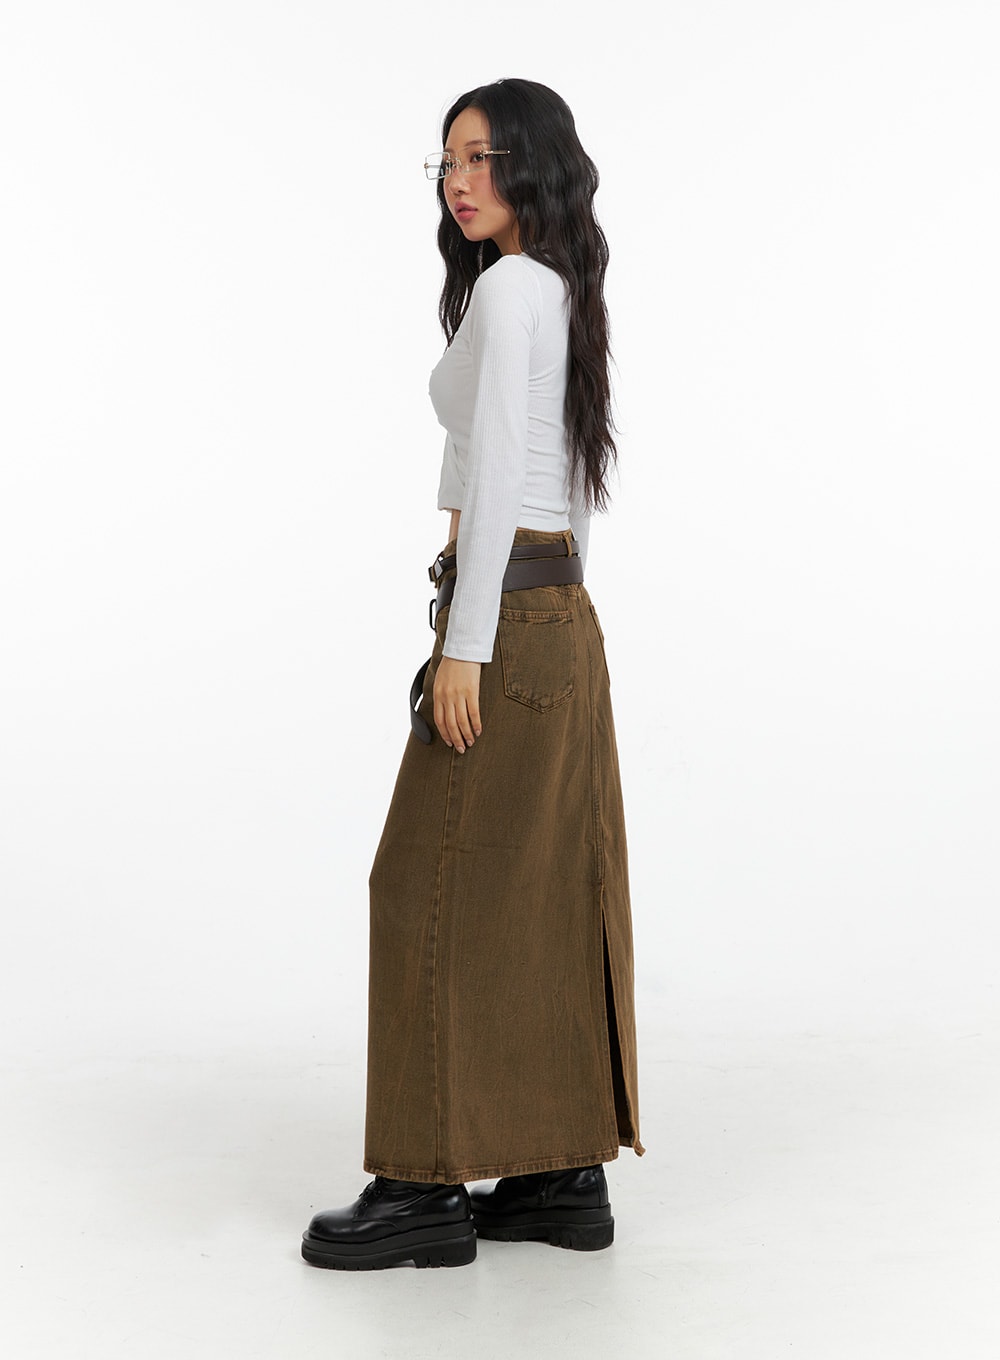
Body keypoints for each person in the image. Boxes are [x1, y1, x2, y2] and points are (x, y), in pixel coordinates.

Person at [301, 77, 643, 1272]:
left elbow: (499, 469)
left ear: (534, 164)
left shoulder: (511, 289)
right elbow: (565, 483)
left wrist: (467, 643)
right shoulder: (553, 287)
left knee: (421, 884)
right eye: (448, 158)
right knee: (540, 886)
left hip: (505, 619)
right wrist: (550, 617)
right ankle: (559, 1172)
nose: (460, 178)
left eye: (484, 156)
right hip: (558, 614)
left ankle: (418, 1184)